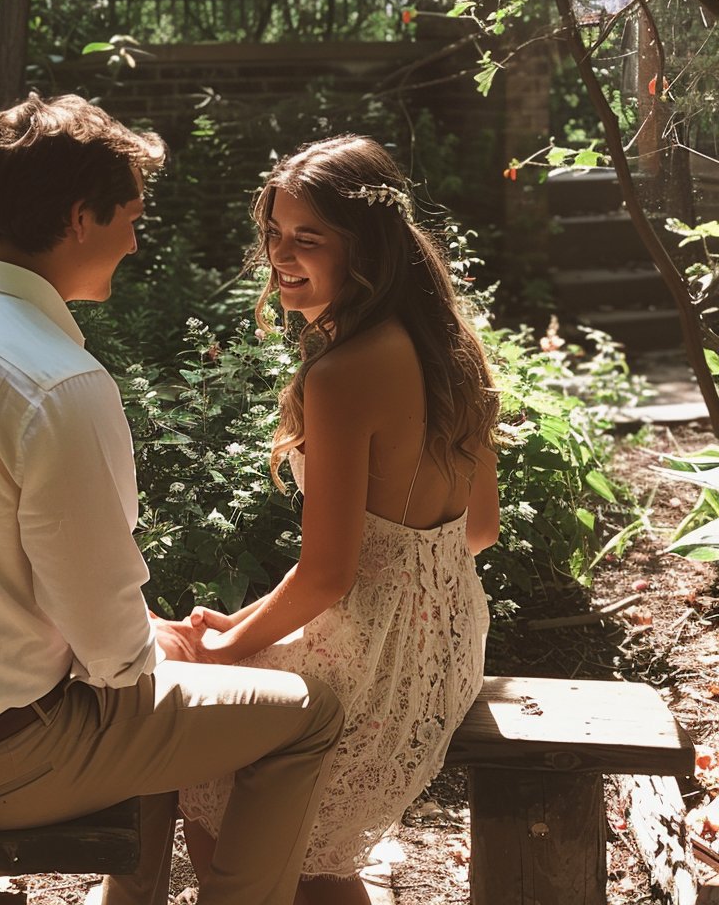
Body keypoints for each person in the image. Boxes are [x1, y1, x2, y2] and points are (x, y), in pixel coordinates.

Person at [0, 92, 345, 905]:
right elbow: (114, 659)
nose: (137, 241)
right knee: (307, 710)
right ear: (82, 218)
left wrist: (141, 642)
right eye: (131, 218)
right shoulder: (58, 383)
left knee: (153, 699)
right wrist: (162, 645)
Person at [176, 135, 500, 905]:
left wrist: (229, 647)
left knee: (208, 782)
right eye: (274, 234)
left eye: (307, 238)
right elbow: (478, 530)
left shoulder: (343, 375)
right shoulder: (453, 349)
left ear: (366, 246)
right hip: (445, 644)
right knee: (309, 857)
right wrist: (242, 624)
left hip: (373, 660)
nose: (280, 255)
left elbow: (328, 573)